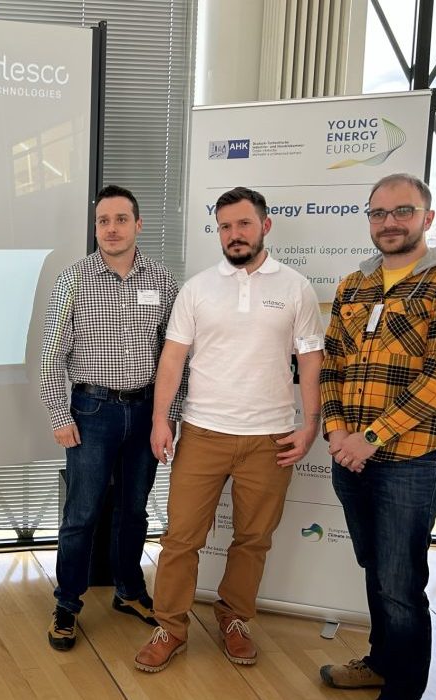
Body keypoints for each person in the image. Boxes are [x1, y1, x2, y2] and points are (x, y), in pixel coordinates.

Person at [134, 186, 324, 672]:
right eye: (224, 226)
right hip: (202, 432)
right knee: (180, 539)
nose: (234, 235)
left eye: (243, 224)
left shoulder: (296, 287)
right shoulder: (197, 288)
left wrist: (309, 426)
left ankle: (235, 618)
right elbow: (172, 358)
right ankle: (170, 626)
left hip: (272, 438)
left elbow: (309, 358)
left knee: (253, 539)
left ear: (265, 226)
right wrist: (161, 419)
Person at [318, 173, 436, 699]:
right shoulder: (355, 284)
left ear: (427, 218)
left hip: (412, 462)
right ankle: (382, 661)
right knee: (377, 571)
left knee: (400, 585)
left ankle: (404, 689)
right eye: (379, 213)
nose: (389, 223)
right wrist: (337, 429)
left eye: (402, 212)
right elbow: (331, 366)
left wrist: (369, 437)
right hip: (351, 456)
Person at [40, 184, 184, 651]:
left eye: (121, 219)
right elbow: (50, 356)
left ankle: (130, 591)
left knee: (133, 511)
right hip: (92, 410)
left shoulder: (163, 281)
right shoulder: (74, 278)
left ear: (138, 224)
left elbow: (175, 357)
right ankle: (67, 604)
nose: (111, 229)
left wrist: (170, 416)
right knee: (81, 514)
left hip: (146, 412)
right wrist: (60, 413)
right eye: (103, 221)